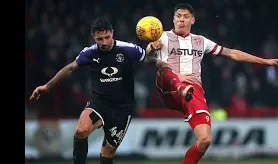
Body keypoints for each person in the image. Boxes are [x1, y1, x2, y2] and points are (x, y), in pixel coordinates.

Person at [29, 16, 194, 164]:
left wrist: (168, 69)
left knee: (106, 154)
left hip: (122, 109)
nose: (104, 42)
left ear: (112, 33)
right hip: (99, 102)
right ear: (93, 37)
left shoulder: (128, 49)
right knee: (81, 130)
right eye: (100, 38)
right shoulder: (89, 53)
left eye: (107, 37)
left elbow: (151, 60)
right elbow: (71, 68)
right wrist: (47, 86)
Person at [146, 3, 278, 164]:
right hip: (169, 88)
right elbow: (146, 58)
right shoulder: (162, 37)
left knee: (205, 140)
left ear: (193, 20)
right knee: (163, 66)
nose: (181, 20)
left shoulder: (200, 41)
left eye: (186, 17)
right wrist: (151, 47)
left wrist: (264, 61)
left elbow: (231, 53)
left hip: (192, 90)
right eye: (178, 16)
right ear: (173, 19)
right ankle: (180, 86)